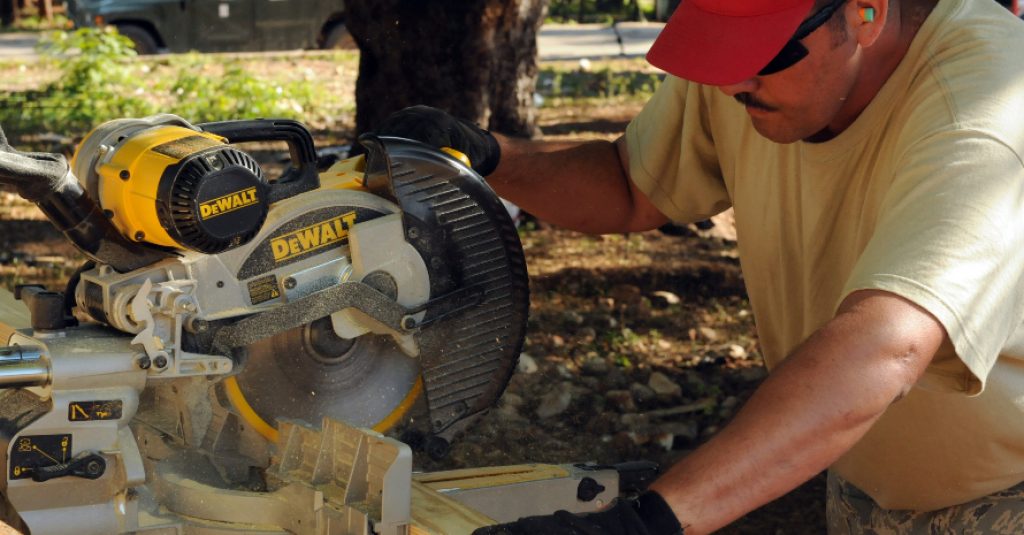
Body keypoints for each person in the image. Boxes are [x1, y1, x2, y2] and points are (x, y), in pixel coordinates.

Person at [374, 0, 1024, 533]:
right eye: (722, 49)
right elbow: (632, 183)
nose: (734, 81)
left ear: (865, 12)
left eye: (758, 54)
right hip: (859, 483)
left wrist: (648, 522)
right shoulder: (763, 66)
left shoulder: (984, 105)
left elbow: (887, 345)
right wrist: (491, 158)